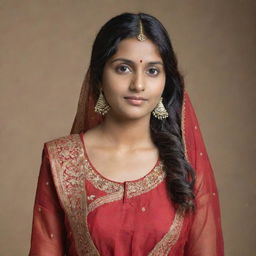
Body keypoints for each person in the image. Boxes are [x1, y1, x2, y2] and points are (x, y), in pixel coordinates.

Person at [29, 12, 224, 256]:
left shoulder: (185, 164)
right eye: (123, 68)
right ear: (99, 77)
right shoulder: (62, 159)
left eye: (153, 71)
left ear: (166, 81)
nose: (138, 84)